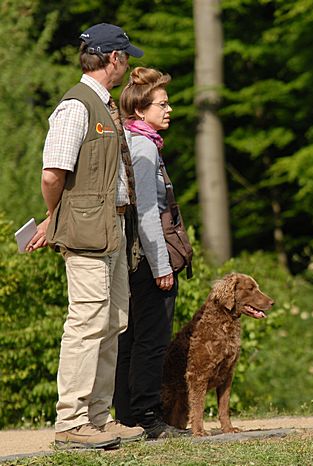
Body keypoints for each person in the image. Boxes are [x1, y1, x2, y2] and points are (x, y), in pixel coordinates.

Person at [26, 23, 146, 449]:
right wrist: (56, 216)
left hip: (111, 227)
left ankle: (97, 418)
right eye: (125, 56)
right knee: (86, 322)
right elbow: (52, 174)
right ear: (113, 58)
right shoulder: (76, 106)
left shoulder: (103, 104)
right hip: (88, 231)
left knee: (112, 321)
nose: (127, 63)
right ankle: (71, 421)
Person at [113, 67, 189, 438]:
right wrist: (162, 266)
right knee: (152, 339)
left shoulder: (128, 140)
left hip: (127, 257)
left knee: (128, 338)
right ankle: (148, 418)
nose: (169, 109)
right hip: (146, 258)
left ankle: (127, 416)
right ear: (141, 110)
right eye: (162, 104)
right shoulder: (143, 147)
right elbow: (145, 211)